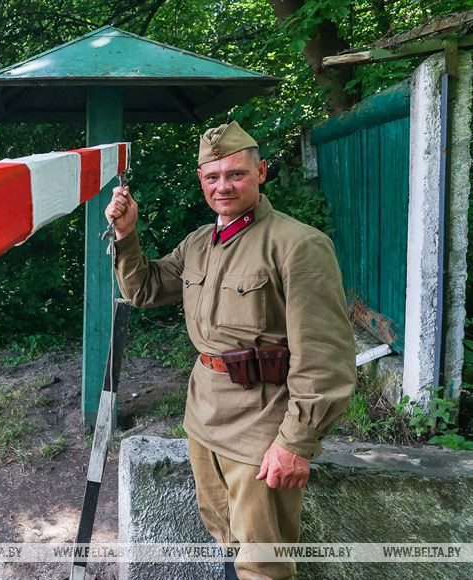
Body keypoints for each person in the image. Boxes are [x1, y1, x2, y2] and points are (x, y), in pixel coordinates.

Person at [105, 122, 355, 580]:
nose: (224, 186)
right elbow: (144, 289)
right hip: (205, 417)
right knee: (223, 535)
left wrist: (296, 442)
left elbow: (325, 356)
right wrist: (126, 234)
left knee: (263, 563)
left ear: (260, 172)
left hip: (262, 427)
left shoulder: (298, 245)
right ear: (201, 180)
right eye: (212, 177)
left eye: (236, 174)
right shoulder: (200, 243)